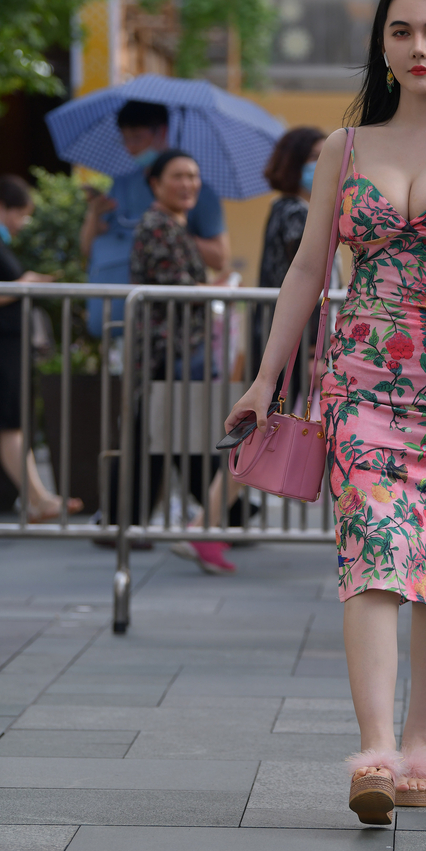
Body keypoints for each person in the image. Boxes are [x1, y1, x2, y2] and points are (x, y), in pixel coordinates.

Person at [224, 0, 426, 822]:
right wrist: (266, 377)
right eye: (400, 31)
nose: (417, 48)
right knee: (369, 548)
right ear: (382, 46)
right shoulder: (345, 148)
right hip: (358, 375)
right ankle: (373, 751)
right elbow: (305, 268)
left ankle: (420, 744)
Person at [117, 150, 237, 575]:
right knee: (173, 436)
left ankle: (212, 519)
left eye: (193, 175)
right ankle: (212, 521)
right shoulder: (158, 226)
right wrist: (218, 289)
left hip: (178, 352)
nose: (188, 184)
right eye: (178, 176)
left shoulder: (174, 225)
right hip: (166, 353)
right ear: (155, 183)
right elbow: (178, 288)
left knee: (171, 437)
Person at [80, 100, 228, 337]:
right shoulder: (124, 187)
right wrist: (94, 214)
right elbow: (92, 249)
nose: (131, 147)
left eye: (138, 138)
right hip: (137, 325)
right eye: (125, 139)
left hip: (182, 332)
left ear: (162, 132)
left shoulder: (200, 196)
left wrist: (177, 228)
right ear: (155, 185)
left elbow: (219, 259)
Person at [0, 175, 82, 521]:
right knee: (11, 425)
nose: (23, 223)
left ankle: (38, 498)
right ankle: (38, 499)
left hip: (10, 348)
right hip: (4, 349)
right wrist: (24, 284)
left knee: (13, 425)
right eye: (21, 214)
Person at [254, 126, 327, 407]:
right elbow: (307, 276)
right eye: (314, 156)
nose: (322, 164)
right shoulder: (296, 212)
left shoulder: (282, 207)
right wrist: (312, 350)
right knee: (287, 415)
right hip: (296, 339)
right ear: (294, 162)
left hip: (282, 335)